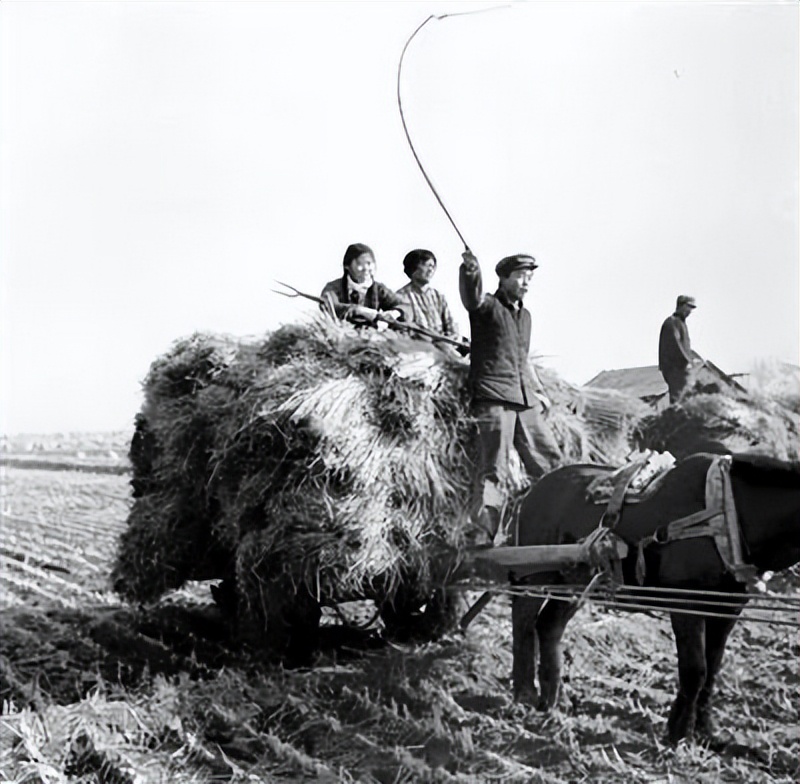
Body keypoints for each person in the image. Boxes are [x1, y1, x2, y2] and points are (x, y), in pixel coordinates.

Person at [459, 249, 562, 547]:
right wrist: (471, 271)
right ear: (503, 279)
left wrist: (539, 391)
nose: (526, 282)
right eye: (519, 276)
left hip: (523, 396)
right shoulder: (486, 306)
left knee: (549, 460)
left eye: (529, 277)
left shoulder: (525, 317)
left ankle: (554, 521)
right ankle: (484, 531)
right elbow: (471, 297)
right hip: (493, 396)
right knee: (495, 467)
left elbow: (523, 358)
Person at [320, 243, 409, 326]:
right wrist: (358, 310)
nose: (366, 268)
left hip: (372, 334)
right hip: (340, 332)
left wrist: (396, 312)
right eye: (360, 264)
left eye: (369, 263)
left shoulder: (379, 289)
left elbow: (404, 306)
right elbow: (329, 304)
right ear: (347, 266)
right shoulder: (333, 287)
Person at [395, 249, 460, 343]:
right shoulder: (402, 296)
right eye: (426, 265)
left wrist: (451, 338)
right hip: (418, 346)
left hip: (444, 344)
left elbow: (451, 326)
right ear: (413, 268)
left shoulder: (438, 297)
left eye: (432, 266)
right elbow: (404, 330)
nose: (430, 270)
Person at [658, 295, 700, 403]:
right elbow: (675, 345)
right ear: (681, 306)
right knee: (679, 398)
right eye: (688, 307)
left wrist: (692, 359)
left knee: (685, 397)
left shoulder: (681, 323)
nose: (690, 311)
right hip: (675, 368)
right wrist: (688, 361)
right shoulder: (672, 322)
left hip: (680, 368)